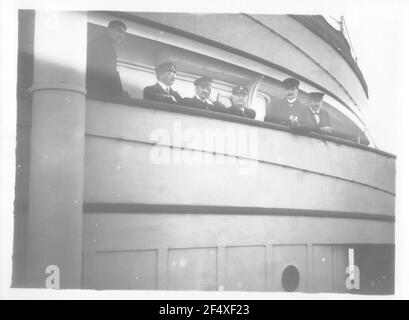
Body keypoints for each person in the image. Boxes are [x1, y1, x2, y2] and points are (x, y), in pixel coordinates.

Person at [86, 20, 129, 97]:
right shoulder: (104, 44)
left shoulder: (103, 42)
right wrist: (119, 92)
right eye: (119, 31)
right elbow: (109, 71)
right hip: (98, 92)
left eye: (123, 33)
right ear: (109, 30)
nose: (121, 35)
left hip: (96, 89)